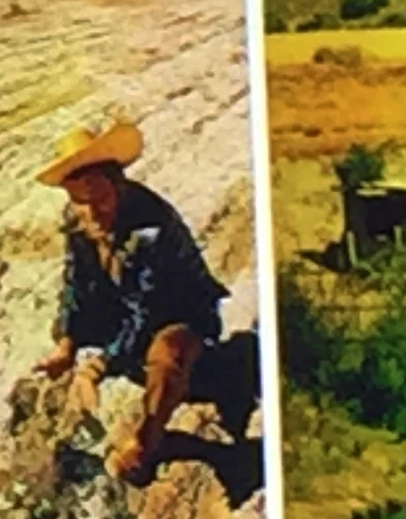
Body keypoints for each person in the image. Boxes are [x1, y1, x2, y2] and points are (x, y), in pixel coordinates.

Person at [27, 119, 246, 485]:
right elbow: (75, 284)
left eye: (100, 198)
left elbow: (144, 311)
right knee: (68, 330)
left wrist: (97, 367)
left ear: (118, 185)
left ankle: (148, 443)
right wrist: (66, 347)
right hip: (121, 307)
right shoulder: (79, 218)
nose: (92, 211)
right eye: (81, 200)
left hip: (178, 316)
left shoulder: (151, 229)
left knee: (167, 356)